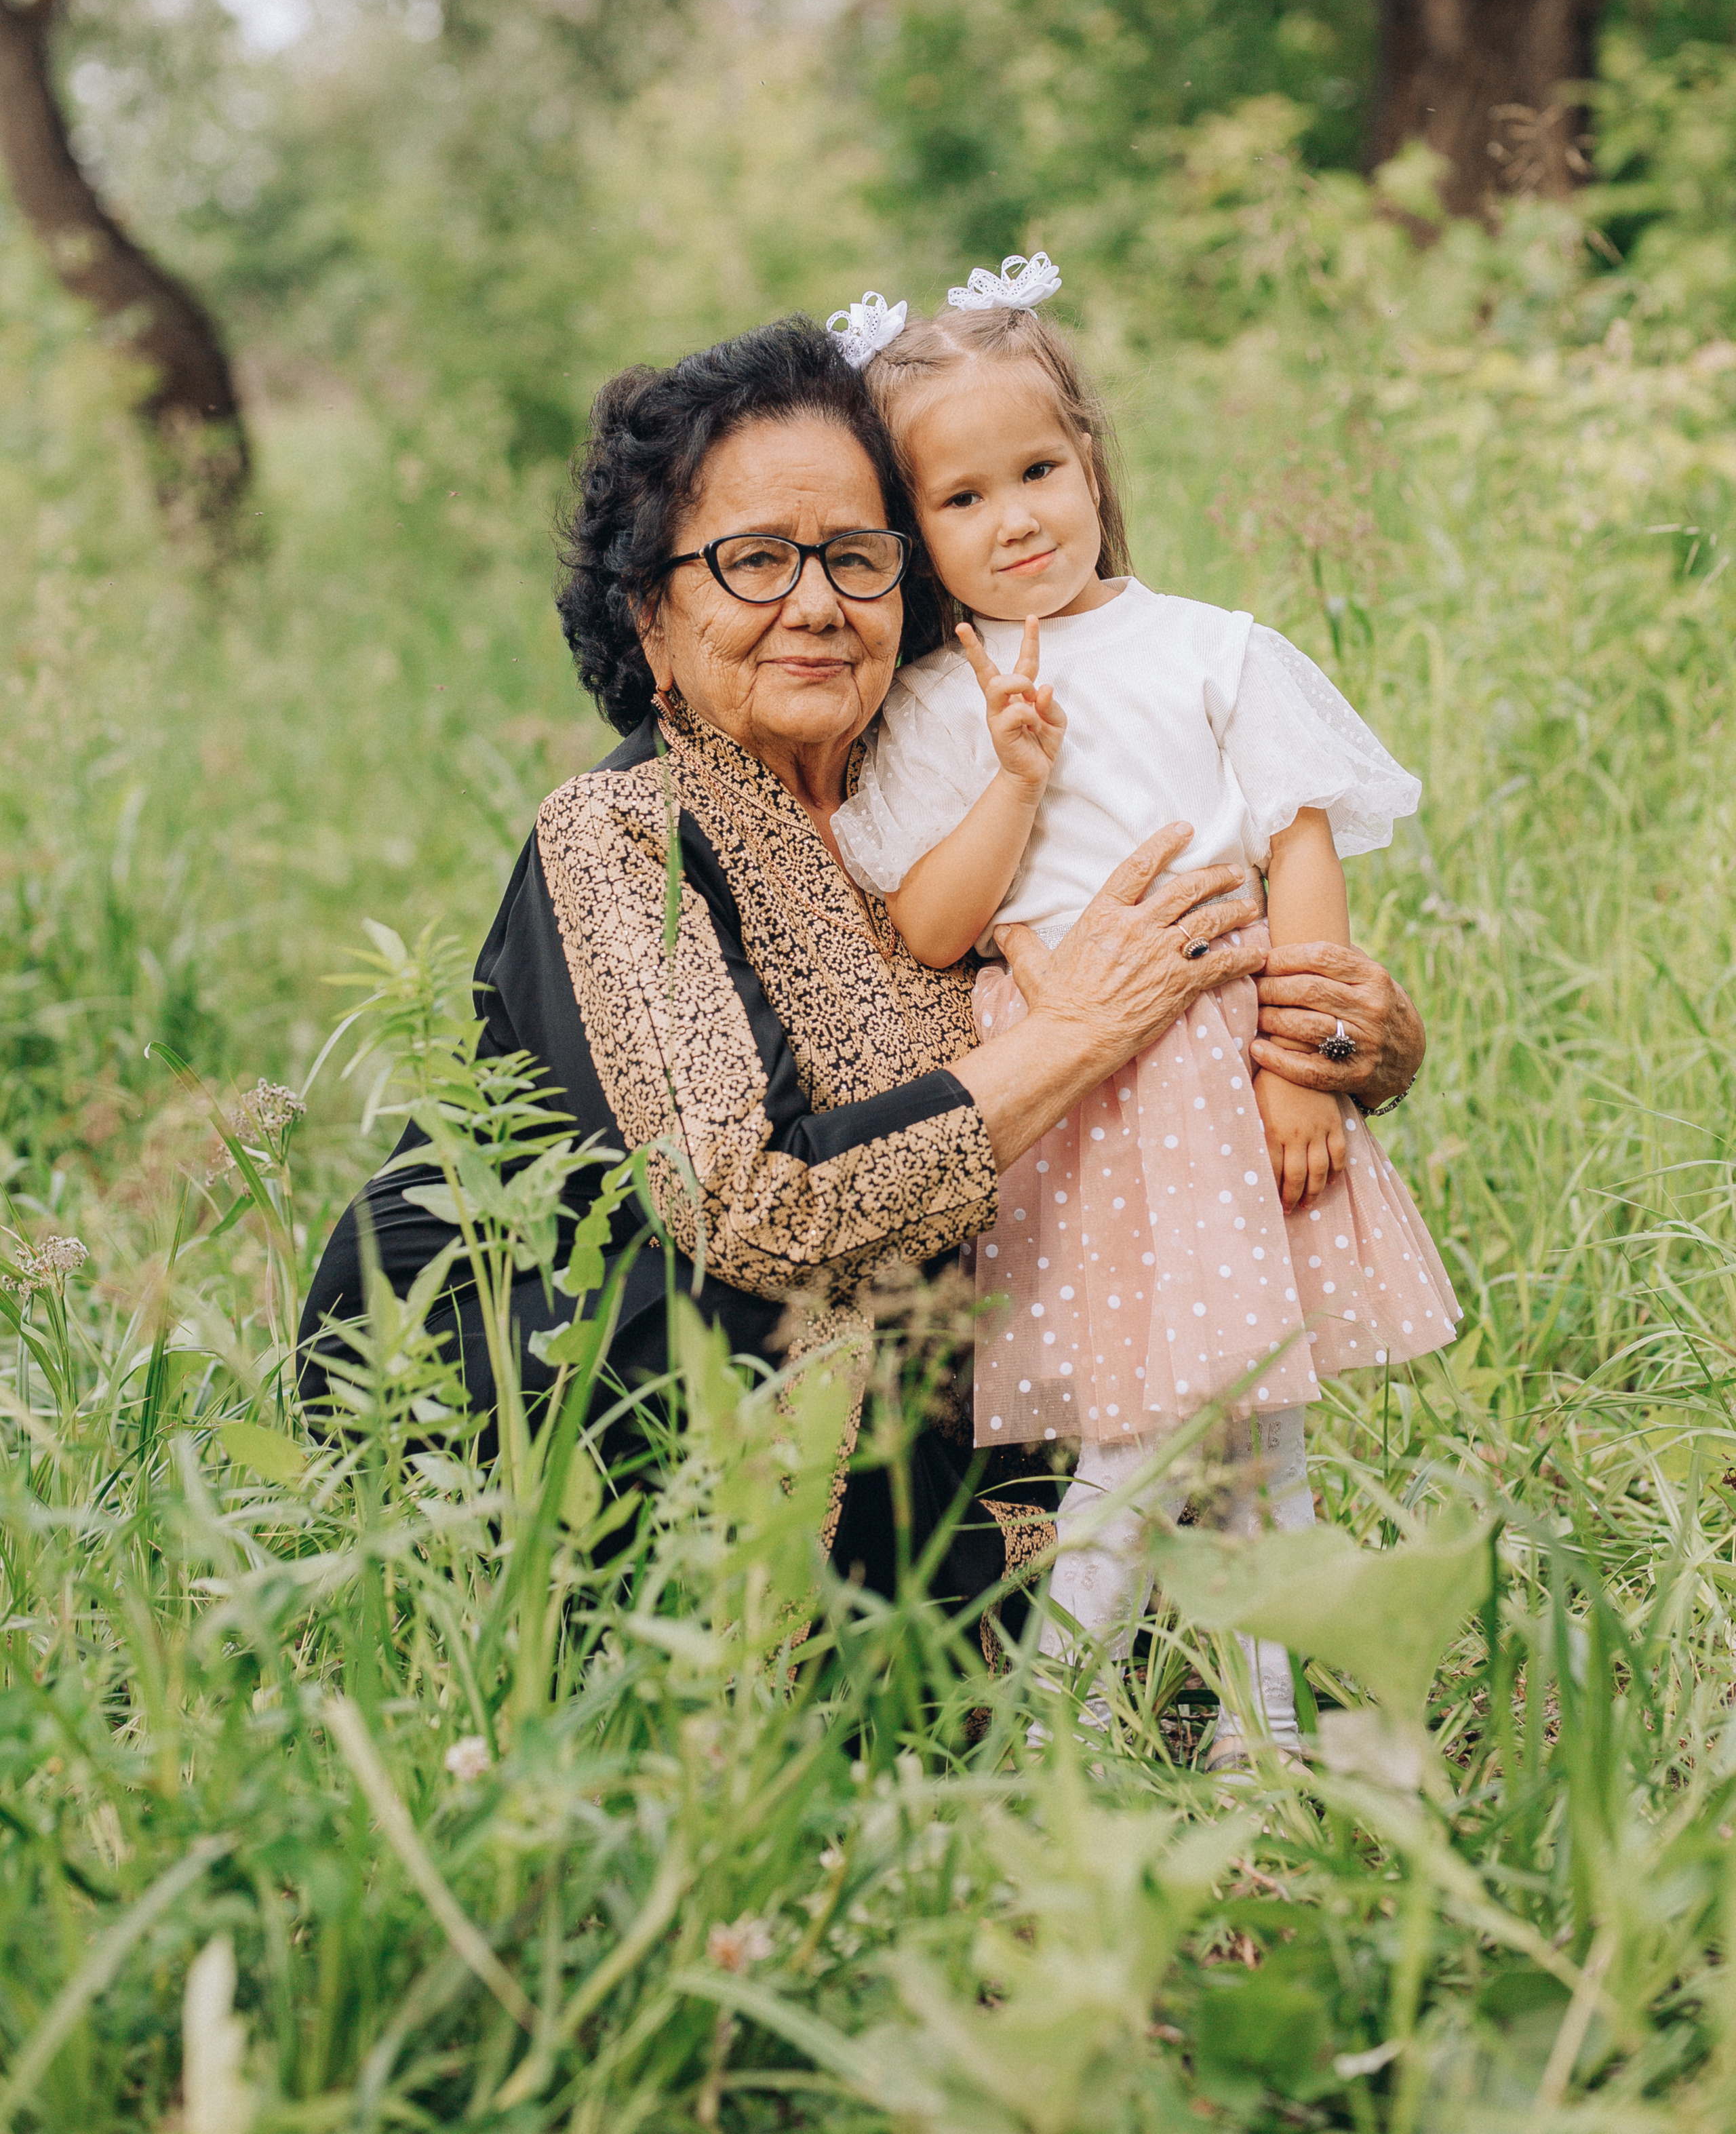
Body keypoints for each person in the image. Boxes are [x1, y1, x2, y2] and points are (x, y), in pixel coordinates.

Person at [298, 311, 1429, 1651]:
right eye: (753, 562)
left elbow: (1180, 1037)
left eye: (853, 556)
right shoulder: (620, 838)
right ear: (651, 615)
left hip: (911, 1398)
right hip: (583, 1409)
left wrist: (1334, 1045)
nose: (818, 602)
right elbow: (745, 1211)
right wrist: (1067, 1034)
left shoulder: (967, 796)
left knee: (1141, 1593)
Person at [828, 256, 1459, 1758]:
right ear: (913, 534)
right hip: (1076, 1108)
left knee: (1262, 1436)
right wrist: (1014, 778)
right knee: (1128, 1424)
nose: (1016, 518)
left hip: (1227, 1085)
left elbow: (1295, 846)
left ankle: (1267, 1732)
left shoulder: (1208, 650)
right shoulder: (934, 699)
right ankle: (1054, 1731)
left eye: (1037, 469)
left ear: (1092, 462)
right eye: (962, 500)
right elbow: (929, 923)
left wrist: (1300, 1069)